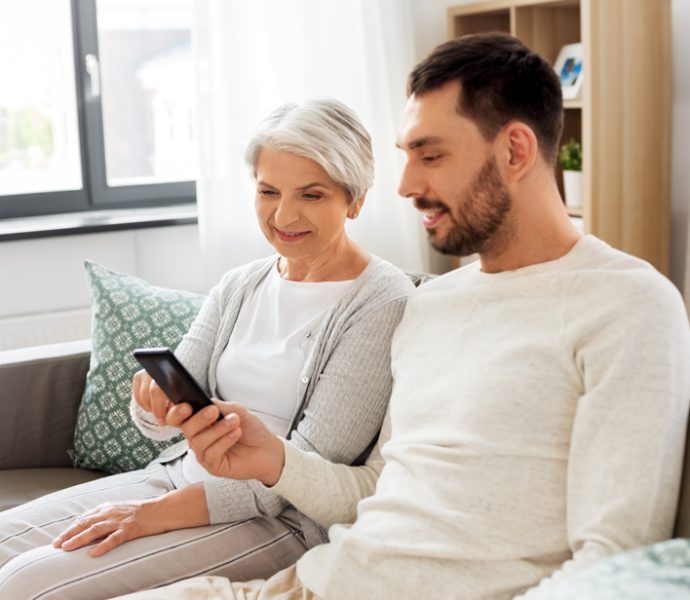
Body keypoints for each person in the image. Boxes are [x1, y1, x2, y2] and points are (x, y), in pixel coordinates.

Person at [109, 32, 690, 600]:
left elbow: (613, 560)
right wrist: (277, 461)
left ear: (515, 151)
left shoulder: (626, 305)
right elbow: (375, 487)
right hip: (317, 581)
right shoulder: (431, 304)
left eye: (431, 155)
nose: (407, 185)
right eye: (406, 156)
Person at [0, 99, 414, 599]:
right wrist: (151, 402)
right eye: (268, 191)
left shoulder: (382, 300)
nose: (284, 215)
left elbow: (306, 471)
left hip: (276, 518)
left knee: (26, 585)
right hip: (174, 478)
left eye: (311, 194)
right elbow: (165, 417)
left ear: (355, 200)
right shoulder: (241, 284)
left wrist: (150, 516)